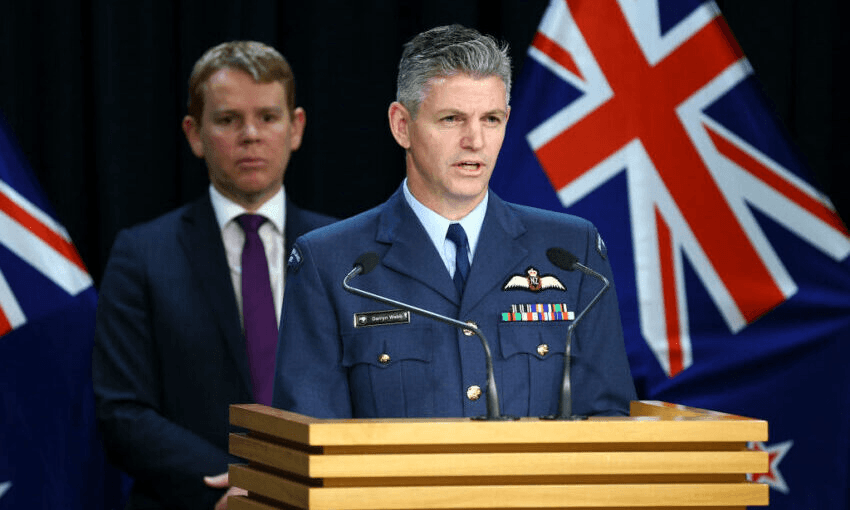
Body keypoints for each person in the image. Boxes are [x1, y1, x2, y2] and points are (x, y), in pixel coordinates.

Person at [272, 25, 636, 420]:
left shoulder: (571, 251)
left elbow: (608, 418)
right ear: (401, 125)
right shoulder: (332, 263)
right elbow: (313, 443)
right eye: (451, 119)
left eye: (492, 119)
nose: (475, 140)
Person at [92, 41, 335, 510]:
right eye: (227, 120)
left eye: (268, 117)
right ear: (194, 134)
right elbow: (122, 410)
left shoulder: (345, 251)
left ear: (296, 127)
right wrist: (226, 483)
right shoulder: (141, 255)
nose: (250, 134)